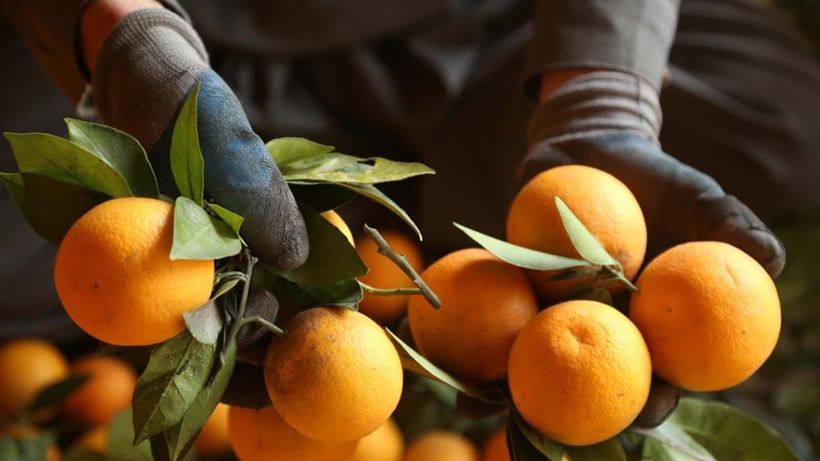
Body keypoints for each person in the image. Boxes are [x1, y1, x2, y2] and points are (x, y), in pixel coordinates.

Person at [1, 0, 818, 342]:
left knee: (786, 116)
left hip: (490, 29)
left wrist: (597, 93)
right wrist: (120, 34)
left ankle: (387, 220)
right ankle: (375, 221)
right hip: (192, 31)